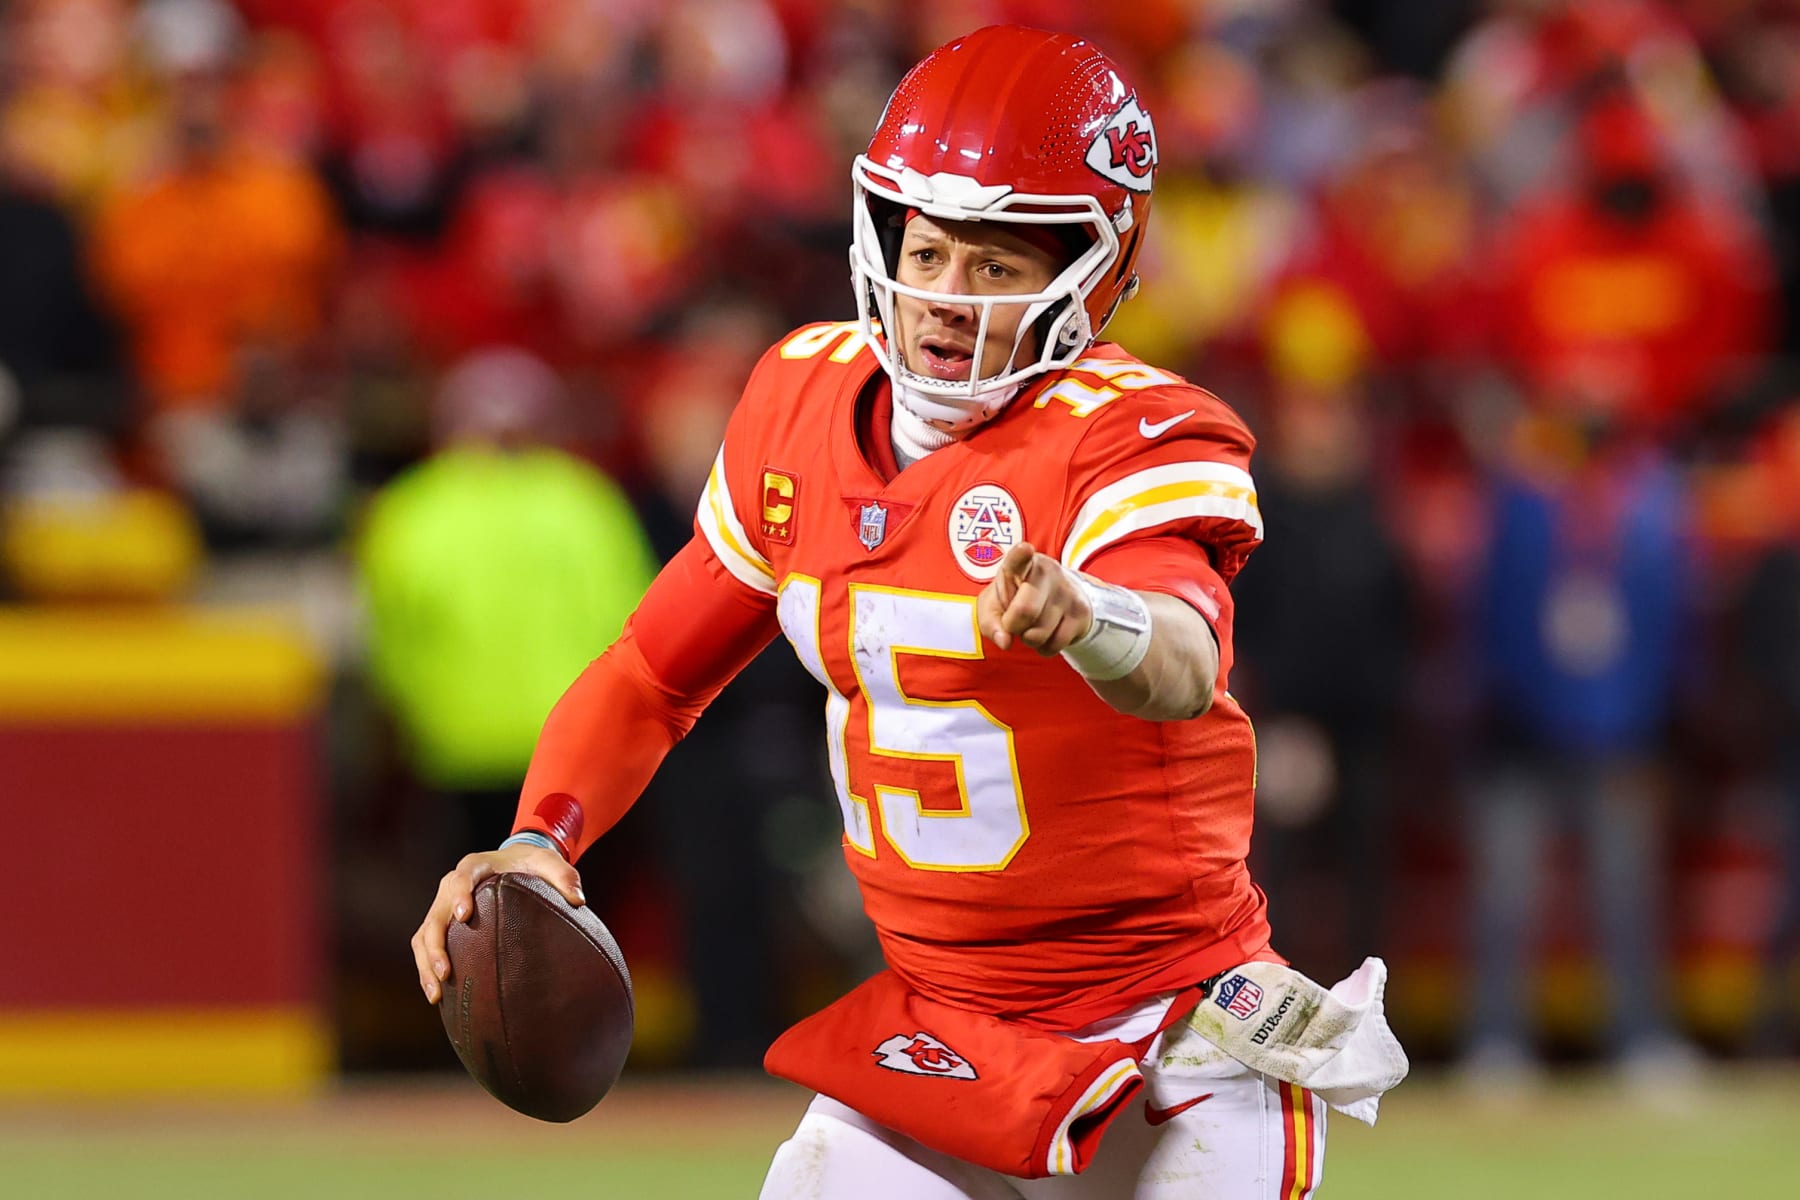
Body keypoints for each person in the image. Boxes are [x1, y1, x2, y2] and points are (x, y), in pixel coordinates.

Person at [411, 26, 1405, 1199]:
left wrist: (1090, 619)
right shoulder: (802, 403)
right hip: (943, 1032)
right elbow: (652, 672)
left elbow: (1184, 659)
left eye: (994, 266)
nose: (944, 297)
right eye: (927, 249)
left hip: (1167, 1037)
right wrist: (542, 836)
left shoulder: (1133, 431)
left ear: (1092, 272)